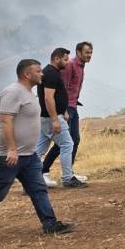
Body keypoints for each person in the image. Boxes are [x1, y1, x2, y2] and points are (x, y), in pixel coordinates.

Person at [0, 59, 76, 245]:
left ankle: (50, 224)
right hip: (7, 156)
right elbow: (5, 122)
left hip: (28, 156)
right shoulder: (12, 92)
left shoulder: (28, 93)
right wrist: (11, 149)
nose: (42, 74)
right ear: (27, 74)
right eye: (38, 71)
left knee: (38, 190)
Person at [34, 48, 87, 188]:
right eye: (64, 59)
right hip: (51, 118)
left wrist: (63, 111)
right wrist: (55, 119)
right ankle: (67, 178)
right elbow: (48, 98)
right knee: (67, 144)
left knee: (38, 150)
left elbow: (56, 96)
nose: (67, 62)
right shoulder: (51, 73)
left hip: (49, 117)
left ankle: (33, 179)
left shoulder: (53, 72)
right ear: (56, 59)